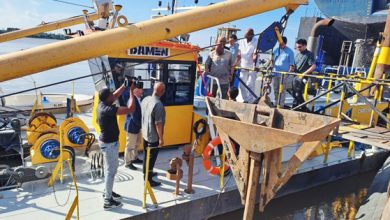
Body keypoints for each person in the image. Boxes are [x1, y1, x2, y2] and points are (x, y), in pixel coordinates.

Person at [97, 81, 136, 210]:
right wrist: (131, 92)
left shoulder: (102, 103)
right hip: (109, 145)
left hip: (108, 143)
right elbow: (130, 109)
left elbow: (114, 95)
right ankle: (107, 201)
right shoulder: (107, 109)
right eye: (110, 95)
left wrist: (124, 85)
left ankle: (107, 192)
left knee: (110, 171)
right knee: (111, 172)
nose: (113, 97)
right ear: (107, 98)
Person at [141, 82, 166, 187]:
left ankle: (146, 174)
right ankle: (148, 180)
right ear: (162, 92)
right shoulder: (158, 105)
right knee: (151, 159)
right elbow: (158, 124)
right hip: (153, 137)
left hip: (145, 134)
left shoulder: (145, 99)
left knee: (146, 156)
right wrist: (161, 139)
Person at [123, 81, 144, 170]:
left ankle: (134, 158)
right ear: (134, 91)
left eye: (141, 91)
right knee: (130, 146)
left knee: (137, 144)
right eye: (139, 91)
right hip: (132, 126)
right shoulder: (132, 100)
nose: (141, 92)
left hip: (137, 126)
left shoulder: (139, 99)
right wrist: (141, 126)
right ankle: (127, 163)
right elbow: (134, 116)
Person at [293, 39, 317, 110]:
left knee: (297, 93)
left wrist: (303, 74)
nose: (298, 48)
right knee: (295, 94)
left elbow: (313, 66)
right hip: (295, 76)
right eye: (297, 47)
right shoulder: (297, 55)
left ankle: (304, 108)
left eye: (300, 47)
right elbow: (295, 65)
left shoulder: (309, 54)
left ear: (305, 46)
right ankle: (295, 107)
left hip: (302, 77)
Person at [272, 36, 295, 108]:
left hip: (283, 75)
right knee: (275, 89)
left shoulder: (290, 52)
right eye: (279, 43)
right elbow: (272, 61)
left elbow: (292, 66)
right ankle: (276, 103)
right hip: (275, 73)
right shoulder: (276, 50)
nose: (280, 44)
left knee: (282, 90)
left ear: (285, 43)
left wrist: (287, 75)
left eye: (281, 43)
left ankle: (281, 105)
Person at [238, 28, 258, 103]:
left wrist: (254, 65)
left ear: (251, 35)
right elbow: (239, 54)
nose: (245, 36)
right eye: (245, 34)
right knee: (242, 84)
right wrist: (234, 64)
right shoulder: (241, 41)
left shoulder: (256, 41)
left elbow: (254, 54)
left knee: (250, 84)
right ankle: (245, 99)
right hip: (243, 66)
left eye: (247, 35)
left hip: (252, 67)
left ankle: (250, 101)